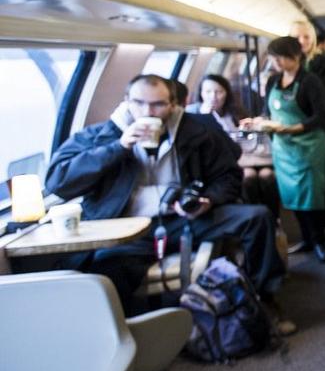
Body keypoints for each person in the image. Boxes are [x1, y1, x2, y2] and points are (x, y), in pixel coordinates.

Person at [45, 74, 288, 323]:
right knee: (106, 267)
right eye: (139, 103)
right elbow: (57, 181)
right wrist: (118, 147)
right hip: (127, 227)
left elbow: (229, 176)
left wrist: (208, 200)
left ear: (173, 104)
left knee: (257, 218)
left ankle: (265, 299)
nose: (148, 111)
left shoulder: (197, 131)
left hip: (183, 220)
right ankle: (126, 331)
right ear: (127, 101)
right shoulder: (101, 136)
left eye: (158, 104)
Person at [244, 36, 325, 262]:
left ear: (296, 56)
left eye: (281, 58)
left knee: (312, 196)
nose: (277, 63)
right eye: (274, 58)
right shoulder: (273, 81)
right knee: (292, 196)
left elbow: (322, 116)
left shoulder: (310, 81)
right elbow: (268, 113)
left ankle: (319, 242)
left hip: (309, 146)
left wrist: (292, 129)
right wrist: (256, 122)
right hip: (283, 149)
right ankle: (305, 238)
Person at [192, 73, 281, 221]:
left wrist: (248, 127)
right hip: (226, 163)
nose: (213, 96)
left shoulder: (235, 111)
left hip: (249, 156)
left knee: (267, 176)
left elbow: (247, 138)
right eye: (208, 92)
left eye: (219, 91)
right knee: (249, 177)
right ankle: (257, 216)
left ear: (226, 92)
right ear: (201, 93)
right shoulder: (194, 115)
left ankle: (274, 217)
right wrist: (207, 119)